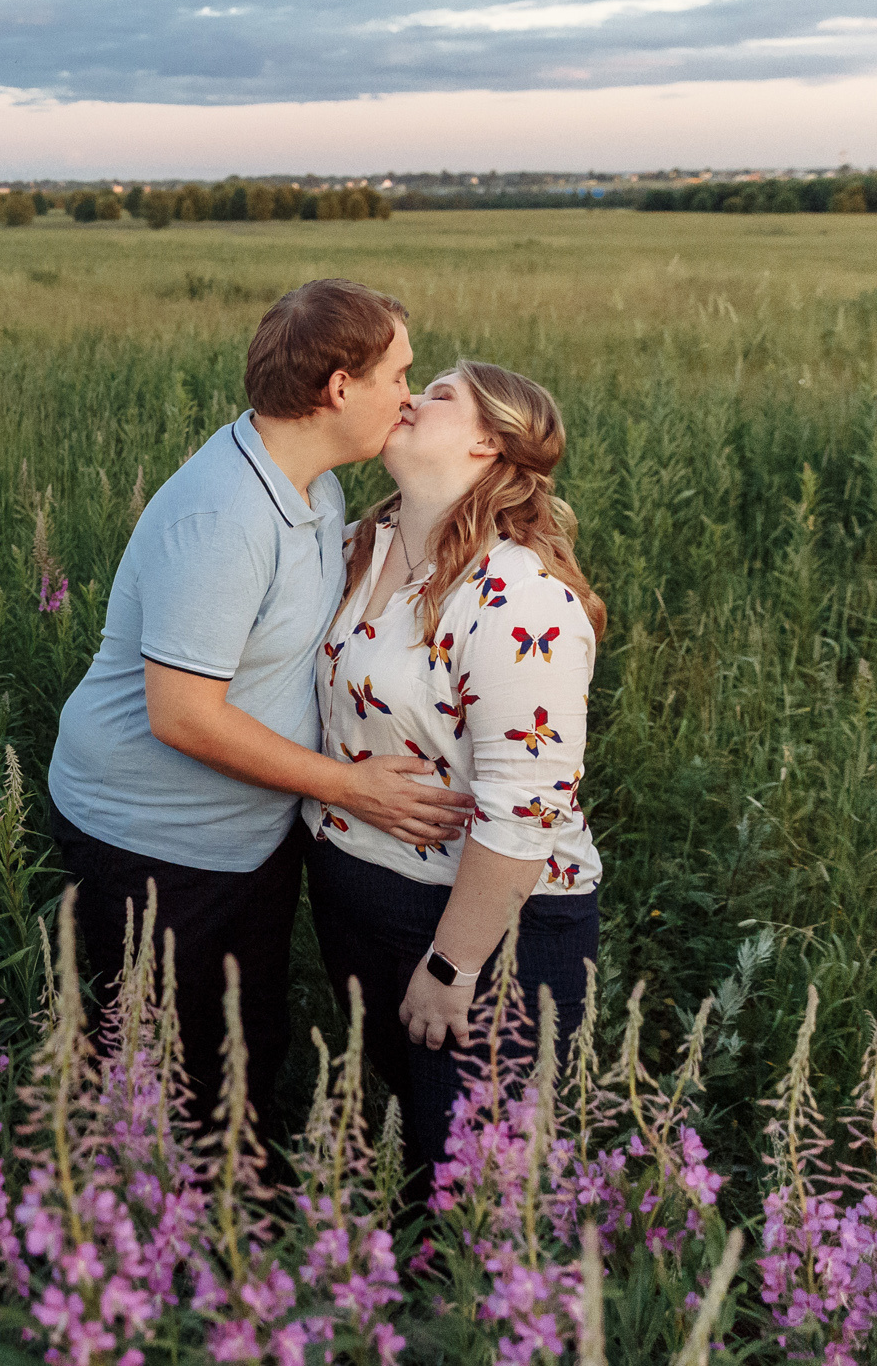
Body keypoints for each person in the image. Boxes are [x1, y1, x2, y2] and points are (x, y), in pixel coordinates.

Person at [47, 279, 478, 1153]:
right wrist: (350, 786)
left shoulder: (307, 485)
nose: (410, 393)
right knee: (168, 1065)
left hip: (244, 830)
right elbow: (183, 717)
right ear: (338, 388)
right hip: (152, 840)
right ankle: (154, 1241)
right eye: (398, 375)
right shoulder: (227, 515)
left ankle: (237, 1212)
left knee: (245, 1042)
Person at [306, 359, 607, 1204]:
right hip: (360, 899)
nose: (406, 397)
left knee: (475, 1195)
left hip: (485, 930)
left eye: (436, 393)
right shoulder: (359, 545)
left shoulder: (520, 600)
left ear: (488, 440)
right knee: (417, 1151)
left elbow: (526, 810)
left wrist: (453, 965)